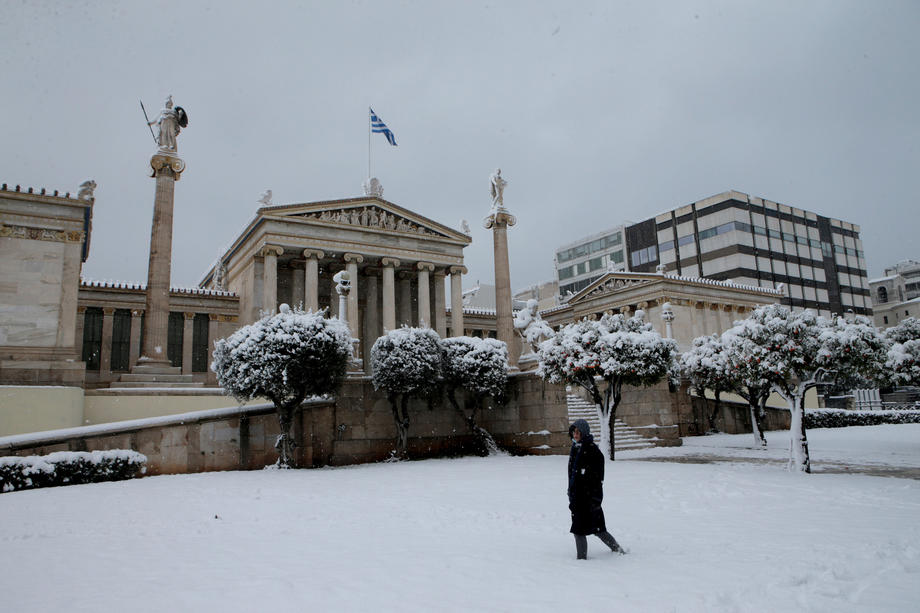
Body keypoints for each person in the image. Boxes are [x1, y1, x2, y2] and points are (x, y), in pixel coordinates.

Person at [567, 419, 625, 559]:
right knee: (588, 529)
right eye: (573, 432)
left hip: (589, 499)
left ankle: (582, 559)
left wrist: (595, 499)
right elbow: (573, 475)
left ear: (584, 433)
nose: (575, 435)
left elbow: (598, 480)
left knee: (591, 530)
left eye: (578, 432)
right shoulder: (576, 448)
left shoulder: (592, 451)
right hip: (577, 498)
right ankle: (617, 550)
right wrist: (571, 492)